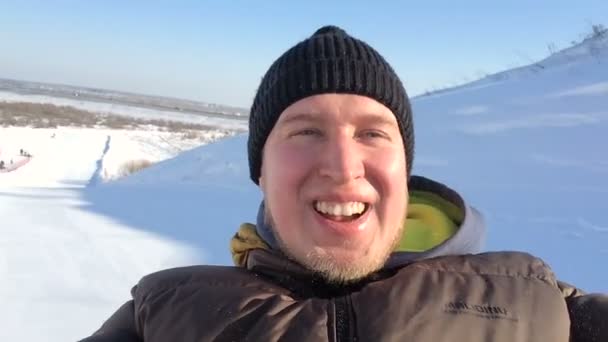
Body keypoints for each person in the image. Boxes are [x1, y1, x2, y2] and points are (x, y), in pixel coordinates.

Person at [80, 26, 607, 342]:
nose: (342, 164)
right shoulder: (162, 316)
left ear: (405, 166)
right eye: (305, 131)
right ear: (259, 171)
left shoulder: (541, 309)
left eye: (374, 133)